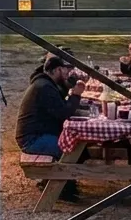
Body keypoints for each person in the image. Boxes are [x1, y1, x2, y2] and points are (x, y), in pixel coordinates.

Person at [16, 56, 88, 200]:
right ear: (57, 70)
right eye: (65, 70)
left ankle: (61, 183)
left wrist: (71, 88)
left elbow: (60, 105)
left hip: (39, 134)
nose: (68, 73)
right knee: (74, 149)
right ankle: (60, 189)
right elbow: (63, 113)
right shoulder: (44, 87)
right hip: (33, 139)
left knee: (81, 149)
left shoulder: (46, 83)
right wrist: (76, 95)